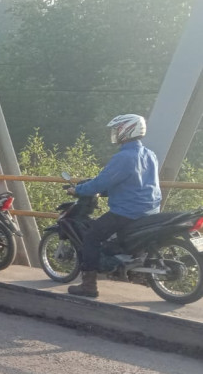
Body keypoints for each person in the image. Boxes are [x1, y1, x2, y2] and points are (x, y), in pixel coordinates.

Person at [67, 114, 161, 298]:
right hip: (149, 209)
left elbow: (101, 182)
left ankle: (88, 286)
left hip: (128, 211)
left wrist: (77, 190)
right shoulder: (150, 154)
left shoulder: (124, 157)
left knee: (92, 236)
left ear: (127, 130)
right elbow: (136, 182)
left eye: (117, 129)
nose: (115, 133)